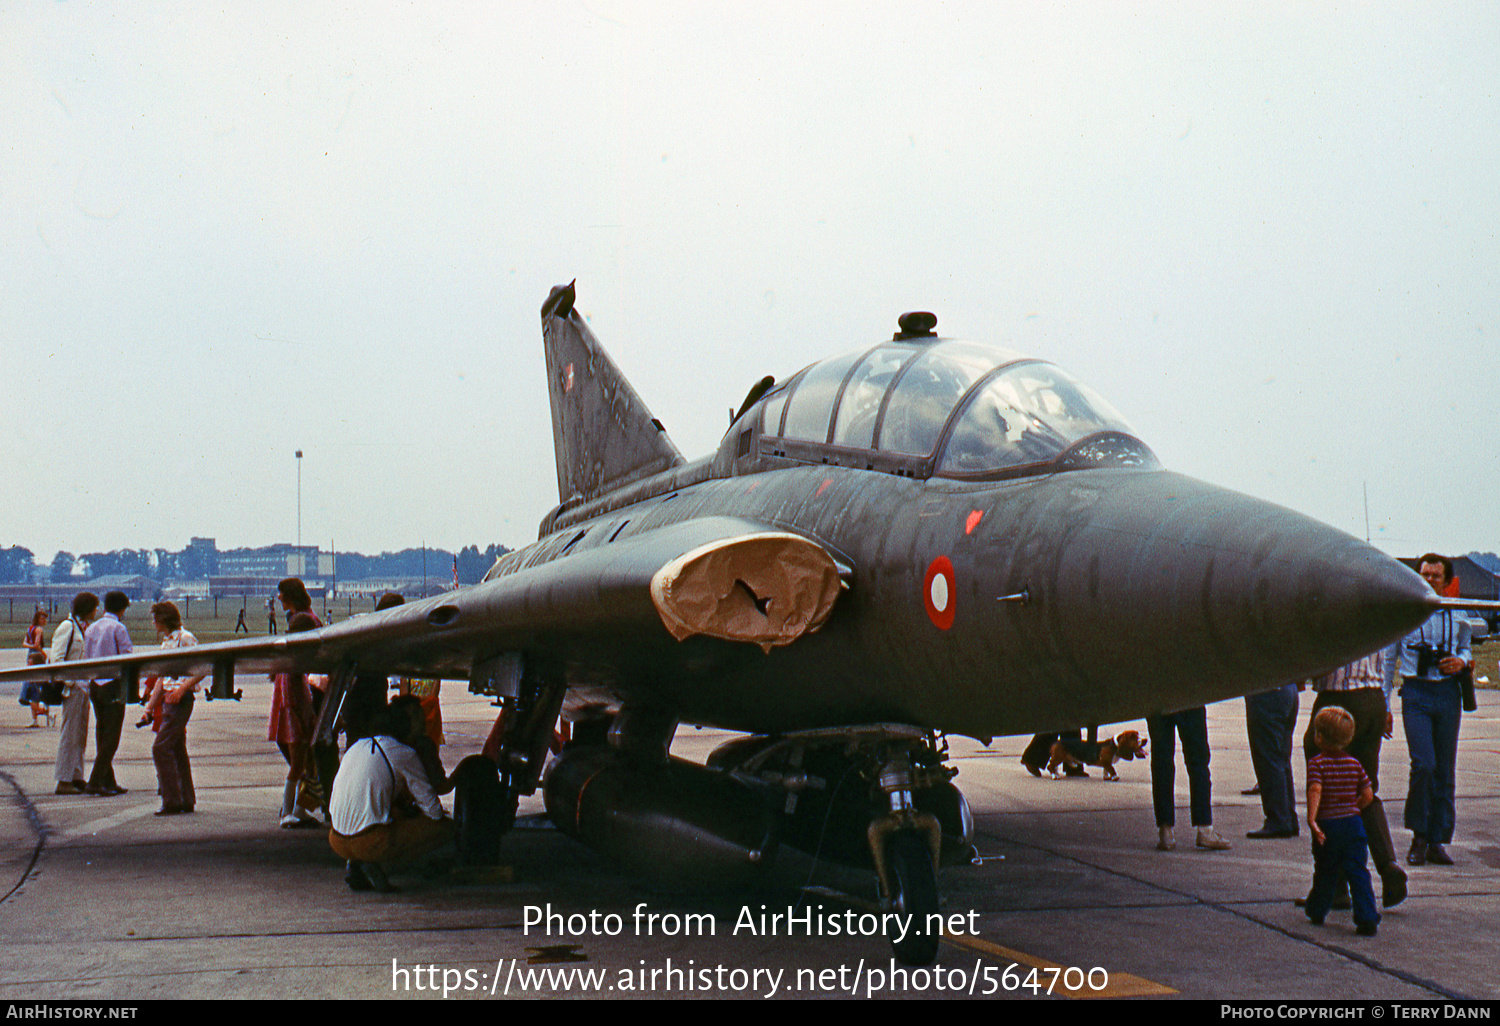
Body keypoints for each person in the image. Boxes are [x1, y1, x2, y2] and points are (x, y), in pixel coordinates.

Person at [1384, 553, 1471, 867]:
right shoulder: (1405, 613)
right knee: (1424, 764)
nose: (1430, 580)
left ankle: (1438, 839)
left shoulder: (1456, 612)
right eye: (1425, 575)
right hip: (1416, 692)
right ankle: (1418, 836)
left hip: (1447, 693)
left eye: (1436, 576)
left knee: (1445, 769)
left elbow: (1466, 646)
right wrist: (1385, 706)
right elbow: (1386, 661)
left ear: (1447, 582)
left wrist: (1460, 661)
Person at [1304, 652, 1407, 907]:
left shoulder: (1332, 612)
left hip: (1339, 698)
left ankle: (1334, 887)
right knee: (1366, 787)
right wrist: (1384, 707)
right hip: (1373, 698)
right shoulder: (1376, 613)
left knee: (1328, 789)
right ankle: (1388, 864)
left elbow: (1319, 663)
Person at [328, 703, 455, 892]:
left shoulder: (356, 746)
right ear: (403, 728)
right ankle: (381, 867)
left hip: (336, 839)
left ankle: (355, 863)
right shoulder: (403, 752)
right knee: (446, 828)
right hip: (369, 842)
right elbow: (434, 812)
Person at [1304, 707, 1379, 936]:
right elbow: (1368, 794)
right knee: (1357, 870)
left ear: (1319, 737)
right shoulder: (1354, 764)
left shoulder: (1317, 764)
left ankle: (1318, 909)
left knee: (1326, 869)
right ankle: (1366, 916)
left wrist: (1312, 818)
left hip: (1329, 825)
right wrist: (1354, 807)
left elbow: (1316, 789)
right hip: (1353, 824)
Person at [140, 601, 204, 816]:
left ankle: (172, 800)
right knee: (177, 749)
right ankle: (186, 799)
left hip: (181, 700)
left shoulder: (185, 639)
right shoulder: (167, 642)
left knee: (160, 748)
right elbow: (162, 678)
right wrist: (149, 707)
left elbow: (204, 667)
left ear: (164, 619)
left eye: (156, 618)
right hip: (169, 701)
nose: (153, 622)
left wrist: (183, 688)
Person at [269, 595, 323, 828]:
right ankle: (288, 812)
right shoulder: (292, 664)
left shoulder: (287, 660)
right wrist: (306, 718)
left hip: (291, 717)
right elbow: (293, 698)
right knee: (298, 767)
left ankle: (299, 810)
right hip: (294, 720)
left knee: (306, 767)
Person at [1146, 705, 1230, 851]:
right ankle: (1204, 828)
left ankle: (1165, 830)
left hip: (1158, 695)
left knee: (1162, 761)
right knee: (1198, 761)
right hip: (1189, 696)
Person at [83, 591, 133, 796]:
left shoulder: (92, 628)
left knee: (102, 732)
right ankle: (95, 782)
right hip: (112, 684)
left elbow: (87, 656)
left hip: (95, 684)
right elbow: (127, 656)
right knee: (112, 736)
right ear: (122, 609)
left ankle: (108, 780)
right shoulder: (118, 627)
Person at [51, 592, 98, 795]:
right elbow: (57, 659)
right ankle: (63, 779)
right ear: (87, 608)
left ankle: (76, 775)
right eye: (95, 607)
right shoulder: (67, 627)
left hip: (83, 688)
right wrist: (71, 682)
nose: (97, 611)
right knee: (69, 734)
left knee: (80, 734)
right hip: (71, 689)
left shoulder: (83, 628)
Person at [1244, 682, 1299, 838]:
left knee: (1268, 757)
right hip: (1288, 688)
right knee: (1282, 757)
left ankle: (1278, 819)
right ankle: (1288, 816)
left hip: (1266, 690)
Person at [20, 610, 50, 727]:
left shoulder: (29, 629)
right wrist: (44, 653)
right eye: (43, 619)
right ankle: (43, 711)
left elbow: (24, 643)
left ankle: (35, 719)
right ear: (38, 619)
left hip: (30, 656)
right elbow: (37, 645)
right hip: (37, 657)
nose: (45, 621)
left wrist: (31, 646)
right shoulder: (38, 630)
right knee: (36, 684)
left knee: (31, 683)